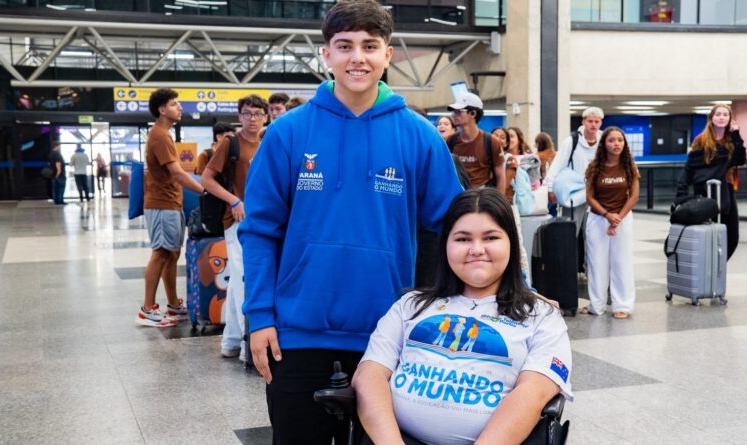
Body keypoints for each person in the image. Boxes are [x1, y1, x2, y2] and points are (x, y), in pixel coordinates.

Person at [238, 1, 464, 443]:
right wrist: (259, 316)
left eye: (369, 46)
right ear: (326, 55)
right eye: (344, 46)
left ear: (387, 54)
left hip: (387, 336)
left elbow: (460, 227)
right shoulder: (288, 132)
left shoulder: (418, 135)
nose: (357, 57)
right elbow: (260, 231)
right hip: (296, 335)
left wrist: (518, 291)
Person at [352, 188, 573, 445]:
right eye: (463, 239)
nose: (476, 249)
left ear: (511, 243)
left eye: (491, 237)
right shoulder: (410, 305)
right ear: (445, 245)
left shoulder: (541, 316)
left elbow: (534, 393)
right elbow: (369, 375)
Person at [201, 95, 266, 361]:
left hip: (261, 220)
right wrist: (234, 200)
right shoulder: (231, 143)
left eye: (258, 114)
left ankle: (230, 341)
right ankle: (247, 344)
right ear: (240, 116)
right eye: (247, 114)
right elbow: (206, 179)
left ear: (265, 117)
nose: (252, 119)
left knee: (239, 280)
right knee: (242, 279)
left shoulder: (266, 142)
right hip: (236, 220)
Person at [136, 88, 205, 327]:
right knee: (161, 253)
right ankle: (147, 309)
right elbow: (177, 173)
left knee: (172, 253)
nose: (180, 107)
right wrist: (204, 190)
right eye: (174, 104)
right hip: (161, 203)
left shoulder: (163, 134)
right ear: (162, 110)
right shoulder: (160, 135)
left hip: (170, 202)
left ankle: (173, 304)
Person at [582, 127, 639, 319]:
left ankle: (622, 305)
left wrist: (618, 218)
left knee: (622, 262)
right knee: (597, 263)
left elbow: (634, 196)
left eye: (620, 140)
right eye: (612, 140)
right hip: (598, 219)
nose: (616, 144)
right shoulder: (594, 167)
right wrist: (607, 215)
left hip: (623, 219)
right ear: (604, 144)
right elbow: (589, 197)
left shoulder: (630, 166)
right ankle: (596, 305)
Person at [676, 103, 745, 260]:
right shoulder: (701, 140)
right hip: (704, 189)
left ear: (730, 119)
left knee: (732, 236)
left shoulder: (732, 140)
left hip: (725, 189)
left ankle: (718, 265)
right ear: (711, 118)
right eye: (718, 114)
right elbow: (691, 166)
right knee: (706, 231)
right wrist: (682, 193)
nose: (722, 118)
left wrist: (736, 135)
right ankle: (706, 266)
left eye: (725, 115)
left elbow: (740, 159)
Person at [545, 107, 604, 279]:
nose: (593, 125)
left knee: (593, 236)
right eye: (590, 121)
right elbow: (557, 165)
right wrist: (550, 188)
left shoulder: (603, 140)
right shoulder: (572, 141)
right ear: (583, 121)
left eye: (597, 121)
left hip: (597, 195)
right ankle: (567, 273)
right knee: (571, 234)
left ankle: (592, 272)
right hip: (574, 195)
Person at [448, 92, 506, 195]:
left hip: (482, 196)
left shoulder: (491, 141)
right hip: (458, 196)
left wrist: (499, 201)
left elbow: (500, 175)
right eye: (454, 111)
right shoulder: (451, 140)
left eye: (458, 111)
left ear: (473, 113)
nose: (454, 115)